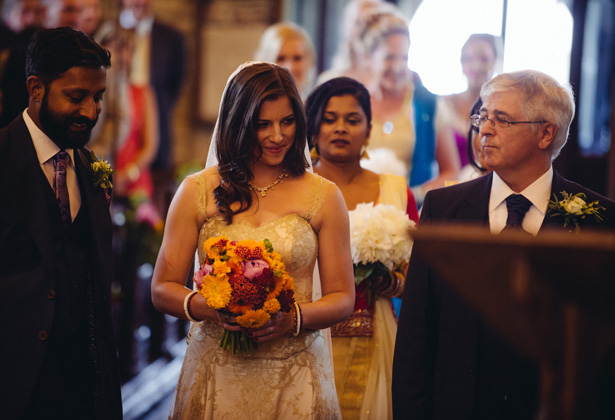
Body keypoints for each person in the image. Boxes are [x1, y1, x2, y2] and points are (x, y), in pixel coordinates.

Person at [392, 70, 615, 419]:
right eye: (482, 116)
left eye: (503, 119)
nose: (485, 129)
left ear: (546, 133)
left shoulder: (600, 219)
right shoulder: (443, 208)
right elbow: (416, 334)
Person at [151, 62, 355, 419]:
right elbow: (162, 288)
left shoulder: (323, 196)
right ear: (238, 122)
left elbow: (342, 298)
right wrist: (210, 307)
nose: (278, 136)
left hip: (295, 375)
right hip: (217, 372)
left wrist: (292, 318)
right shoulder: (197, 191)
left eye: (287, 121)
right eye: (263, 124)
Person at [0, 27, 122, 419]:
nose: (91, 111)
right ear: (36, 88)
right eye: (77, 97)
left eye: (98, 97)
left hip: (83, 385)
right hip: (14, 383)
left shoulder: (89, 167)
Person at [307, 76, 419, 419]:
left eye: (353, 120)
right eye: (330, 119)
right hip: (305, 337)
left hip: (377, 336)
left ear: (368, 130)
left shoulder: (396, 191)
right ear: (313, 130)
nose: (341, 128)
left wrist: (389, 282)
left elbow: (419, 276)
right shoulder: (294, 189)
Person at [358, 9, 460, 204]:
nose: (398, 67)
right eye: (389, 57)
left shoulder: (428, 104)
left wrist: (413, 196)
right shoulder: (355, 104)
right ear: (369, 57)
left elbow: (451, 171)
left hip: (412, 209)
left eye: (404, 58)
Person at [441, 33, 500, 168]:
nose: (476, 66)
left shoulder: (502, 109)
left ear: (494, 62)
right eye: (468, 59)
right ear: (461, 62)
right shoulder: (445, 104)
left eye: (484, 59)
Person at [254, 21, 316, 100]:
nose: (290, 67)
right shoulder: (252, 109)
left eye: (297, 58)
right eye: (280, 58)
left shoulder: (315, 110)